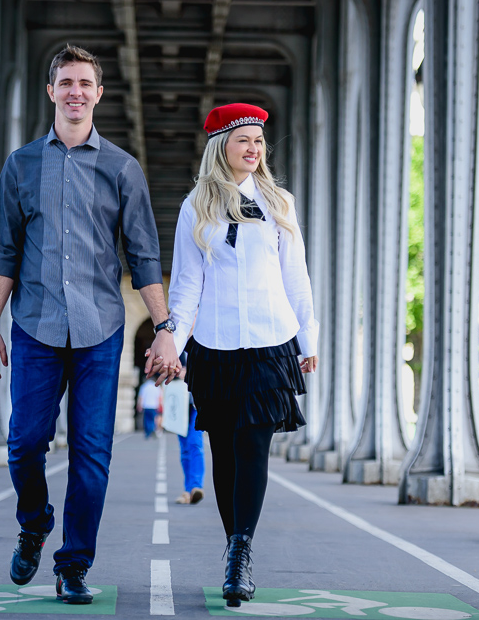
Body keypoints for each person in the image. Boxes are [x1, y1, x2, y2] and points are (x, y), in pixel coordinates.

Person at [0, 45, 182, 605]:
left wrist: (164, 326)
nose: (75, 92)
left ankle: (73, 565)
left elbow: (143, 255)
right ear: (51, 92)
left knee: (93, 454)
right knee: (24, 445)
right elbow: (4, 251)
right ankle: (35, 522)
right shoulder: (20, 165)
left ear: (98, 93)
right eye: (65, 82)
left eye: (84, 83)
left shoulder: (121, 168)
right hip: (36, 326)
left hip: (99, 331)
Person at [167, 103, 319, 607]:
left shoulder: (280, 203)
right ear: (221, 147)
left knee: (253, 446)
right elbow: (188, 285)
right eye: (243, 140)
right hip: (214, 346)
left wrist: (307, 339)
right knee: (224, 454)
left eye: (259, 141)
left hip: (269, 343)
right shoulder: (196, 207)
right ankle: (234, 544)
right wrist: (173, 336)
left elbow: (295, 277)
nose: (254, 149)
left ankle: (240, 553)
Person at [170, 355, 205, 505]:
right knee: (185, 447)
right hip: (179, 402)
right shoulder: (175, 342)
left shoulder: (202, 339)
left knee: (195, 442)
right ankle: (188, 490)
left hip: (198, 401)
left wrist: (190, 373)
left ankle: (195, 486)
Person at [136, 374, 162, 439]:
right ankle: (152, 429)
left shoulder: (144, 386)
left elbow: (141, 397)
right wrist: (160, 405)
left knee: (146, 419)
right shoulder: (156, 386)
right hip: (154, 405)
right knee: (153, 419)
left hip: (146, 405)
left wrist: (139, 405)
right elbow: (159, 397)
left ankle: (148, 432)